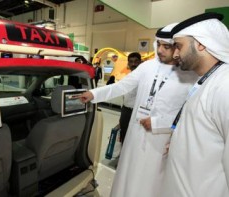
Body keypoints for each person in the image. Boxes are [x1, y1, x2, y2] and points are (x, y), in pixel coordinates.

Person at [79, 23, 197, 197]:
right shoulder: (147, 67)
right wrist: (93, 94)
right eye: (158, 45)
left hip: (162, 140)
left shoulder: (190, 75)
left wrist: (159, 123)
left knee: (151, 182)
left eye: (167, 46)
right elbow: (121, 87)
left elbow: (190, 112)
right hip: (136, 134)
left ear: (178, 48)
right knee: (129, 174)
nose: (160, 51)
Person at [162, 12, 229, 197]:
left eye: (179, 46)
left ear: (201, 43)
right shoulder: (206, 80)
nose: (175, 54)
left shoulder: (225, 85)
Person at [119, 52, 141, 144]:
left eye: (136, 61)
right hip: (125, 111)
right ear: (128, 63)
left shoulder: (144, 79)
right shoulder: (127, 77)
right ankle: (123, 156)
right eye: (131, 61)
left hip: (136, 112)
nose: (133, 64)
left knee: (133, 138)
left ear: (140, 62)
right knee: (123, 134)